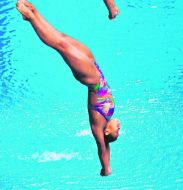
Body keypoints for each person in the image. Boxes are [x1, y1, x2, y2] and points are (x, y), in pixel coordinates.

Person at [16, 0, 120, 176]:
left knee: (60, 44)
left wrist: (106, 168)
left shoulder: (98, 126)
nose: (120, 127)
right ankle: (33, 12)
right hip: (94, 67)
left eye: (117, 131)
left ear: (107, 131)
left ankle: (32, 16)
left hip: (90, 78)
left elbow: (103, 150)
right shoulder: (107, 119)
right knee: (61, 37)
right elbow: (108, 149)